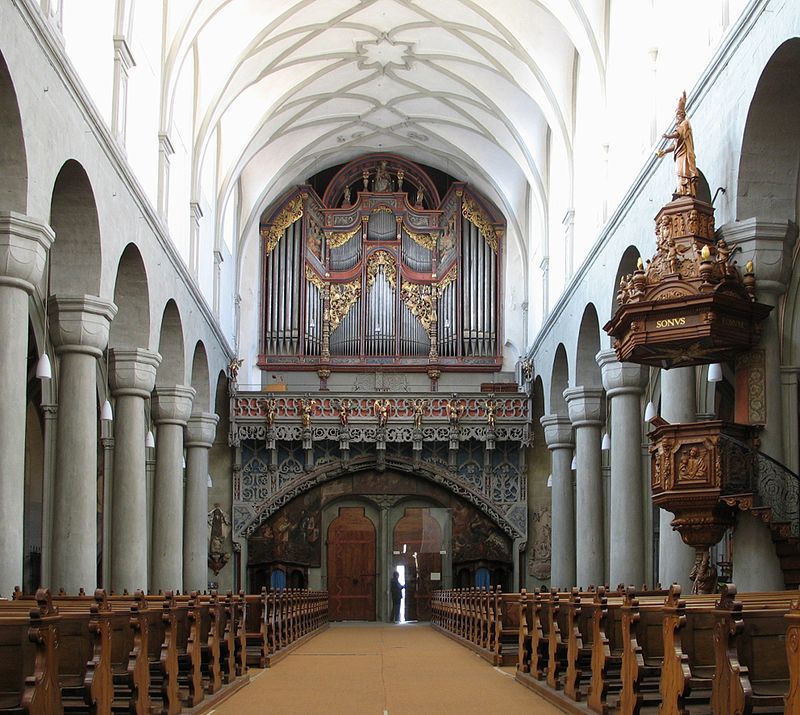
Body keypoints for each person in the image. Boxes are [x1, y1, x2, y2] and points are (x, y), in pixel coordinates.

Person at [655, 91, 698, 197]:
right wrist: (665, 151)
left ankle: (688, 190)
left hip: (685, 153)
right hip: (679, 153)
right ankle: (681, 190)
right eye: (677, 116)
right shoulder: (680, 125)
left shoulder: (685, 123)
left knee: (684, 170)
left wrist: (668, 136)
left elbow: (678, 133)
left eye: (678, 115)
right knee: (679, 171)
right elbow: (675, 145)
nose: (677, 118)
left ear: (682, 115)